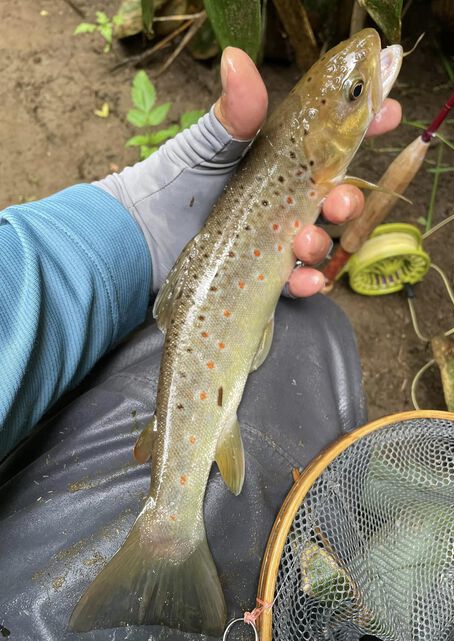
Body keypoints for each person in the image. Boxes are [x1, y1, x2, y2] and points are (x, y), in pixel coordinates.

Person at [0, 48, 400, 640]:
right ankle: (169, 531)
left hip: (88, 285)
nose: (364, 88)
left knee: (307, 320)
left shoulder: (310, 164)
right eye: (353, 93)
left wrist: (132, 224)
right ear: (320, 155)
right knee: (317, 325)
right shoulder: (317, 167)